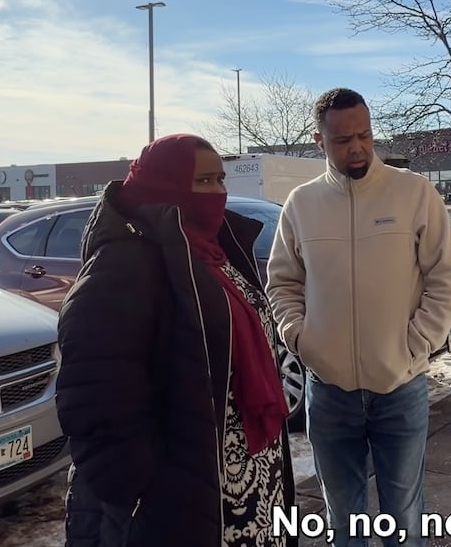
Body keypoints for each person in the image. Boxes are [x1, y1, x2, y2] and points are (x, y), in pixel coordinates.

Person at [55, 134, 295, 547]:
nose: (217, 192)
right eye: (202, 181)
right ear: (163, 185)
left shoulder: (217, 251)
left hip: (252, 477)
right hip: (186, 497)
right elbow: (95, 400)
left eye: (220, 179)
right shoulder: (123, 265)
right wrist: (145, 492)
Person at [266, 87, 451, 547]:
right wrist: (302, 339)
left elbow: (446, 278)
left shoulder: (413, 193)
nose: (357, 147)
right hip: (329, 390)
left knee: (404, 517)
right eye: (342, 140)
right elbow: (283, 283)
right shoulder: (301, 204)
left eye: (365, 135)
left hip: (400, 386)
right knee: (343, 518)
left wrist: (416, 344)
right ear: (319, 141)